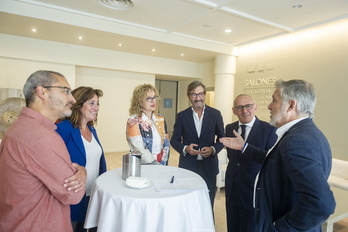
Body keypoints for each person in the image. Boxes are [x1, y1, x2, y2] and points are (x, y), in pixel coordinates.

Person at [220, 79, 335, 231]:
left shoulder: (298, 141)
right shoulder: (306, 133)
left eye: (274, 100)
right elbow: (273, 162)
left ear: (291, 105)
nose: (269, 105)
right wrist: (244, 146)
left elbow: (321, 203)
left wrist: (279, 228)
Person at [0, 70, 87, 232]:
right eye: (66, 91)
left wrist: (79, 171)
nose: (73, 99)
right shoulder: (41, 137)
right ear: (42, 92)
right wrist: (82, 173)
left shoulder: (18, 128)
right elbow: (72, 195)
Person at [56, 86, 107, 232]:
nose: (96, 108)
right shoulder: (63, 129)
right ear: (78, 105)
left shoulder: (92, 130)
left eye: (98, 104)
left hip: (93, 193)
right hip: (74, 195)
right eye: (92, 103)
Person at [224, 94, 277, 232]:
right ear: (234, 110)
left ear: (255, 107)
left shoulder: (269, 129)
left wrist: (245, 147)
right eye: (239, 107)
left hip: (254, 187)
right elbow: (233, 158)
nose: (244, 111)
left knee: (251, 226)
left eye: (248, 106)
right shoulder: (230, 128)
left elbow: (270, 160)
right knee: (232, 221)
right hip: (232, 185)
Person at [171, 80, 224, 208]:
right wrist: (185, 148)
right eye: (194, 95)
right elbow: (174, 140)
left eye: (200, 94)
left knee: (207, 201)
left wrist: (213, 149)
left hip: (209, 167)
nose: (197, 98)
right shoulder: (182, 116)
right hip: (188, 165)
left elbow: (222, 139)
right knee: (188, 202)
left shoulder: (215, 114)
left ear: (205, 95)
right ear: (189, 96)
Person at [126, 84, 170, 165]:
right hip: (143, 165)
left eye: (154, 97)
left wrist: (163, 164)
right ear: (139, 101)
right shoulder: (133, 121)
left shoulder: (161, 119)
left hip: (161, 163)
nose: (153, 101)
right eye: (148, 98)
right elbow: (139, 149)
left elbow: (166, 145)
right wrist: (156, 165)